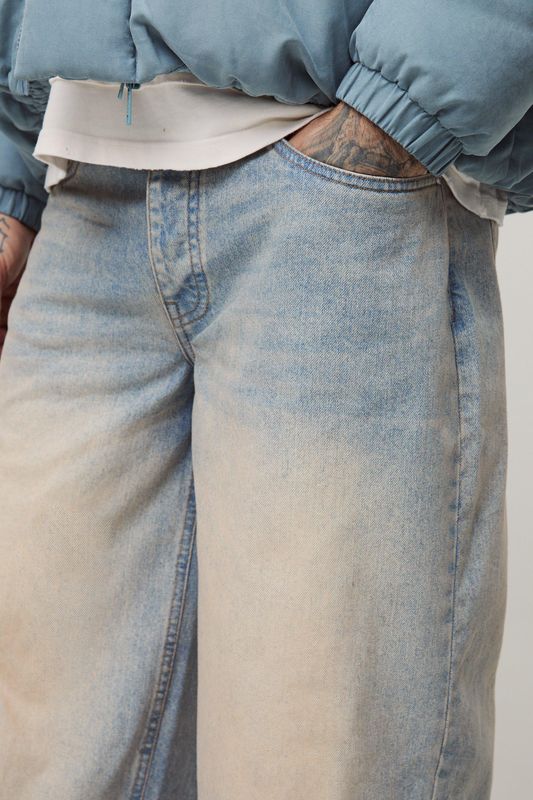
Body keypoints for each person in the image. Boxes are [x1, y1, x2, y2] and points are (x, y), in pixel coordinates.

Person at [0, 3, 531, 799]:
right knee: (50, 767)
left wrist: (399, 110)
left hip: (334, 193)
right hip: (80, 192)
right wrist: (12, 174)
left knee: (316, 761)